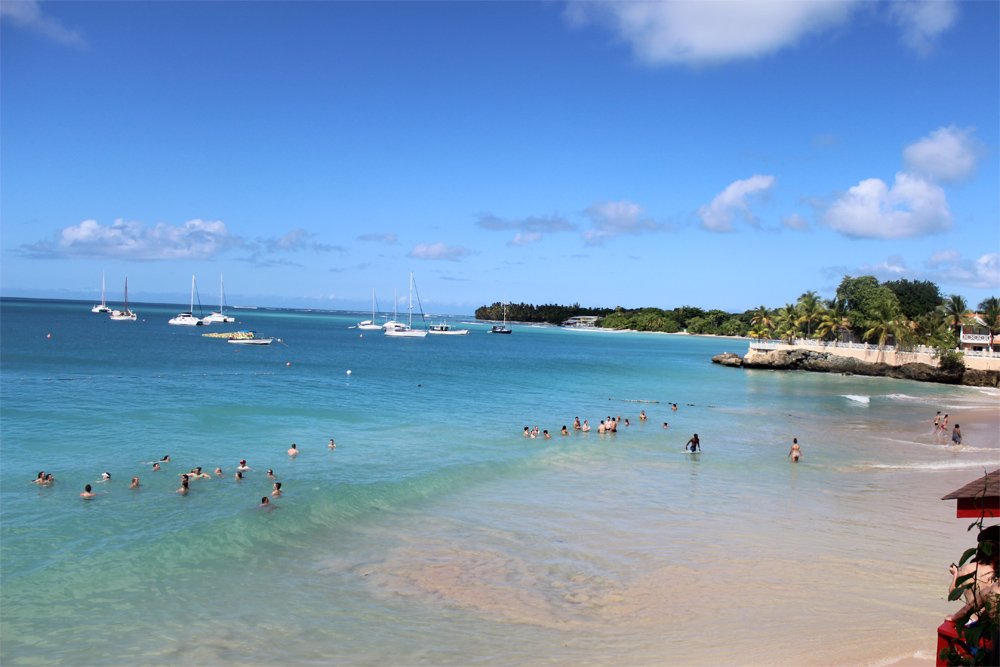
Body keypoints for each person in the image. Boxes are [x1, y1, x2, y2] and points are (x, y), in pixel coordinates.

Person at [946, 526, 999, 623]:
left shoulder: (966, 568)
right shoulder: (995, 576)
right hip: (983, 624)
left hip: (968, 620)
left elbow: (953, 596)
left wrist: (955, 575)